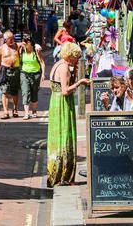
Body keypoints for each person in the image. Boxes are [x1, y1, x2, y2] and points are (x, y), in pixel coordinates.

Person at [47, 42, 90, 186]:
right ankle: (64, 174)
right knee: (65, 136)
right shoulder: (64, 67)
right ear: (70, 56)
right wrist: (80, 83)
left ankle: (54, 172)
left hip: (55, 102)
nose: (77, 59)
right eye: (76, 57)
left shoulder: (57, 65)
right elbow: (65, 91)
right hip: (63, 104)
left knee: (57, 136)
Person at [0, 30, 20, 119]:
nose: (12, 40)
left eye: (13, 38)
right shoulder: (1, 48)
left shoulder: (17, 46)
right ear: (5, 39)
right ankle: (5, 111)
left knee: (15, 91)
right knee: (5, 92)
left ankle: (15, 109)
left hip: (15, 70)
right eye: (10, 39)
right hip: (5, 70)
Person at [19, 34, 46, 120]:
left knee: (34, 92)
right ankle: (26, 113)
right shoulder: (21, 50)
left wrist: (43, 74)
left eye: (25, 43)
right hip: (24, 73)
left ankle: (34, 110)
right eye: (23, 42)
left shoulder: (36, 50)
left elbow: (42, 62)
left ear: (30, 43)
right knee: (25, 92)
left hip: (35, 74)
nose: (24, 44)